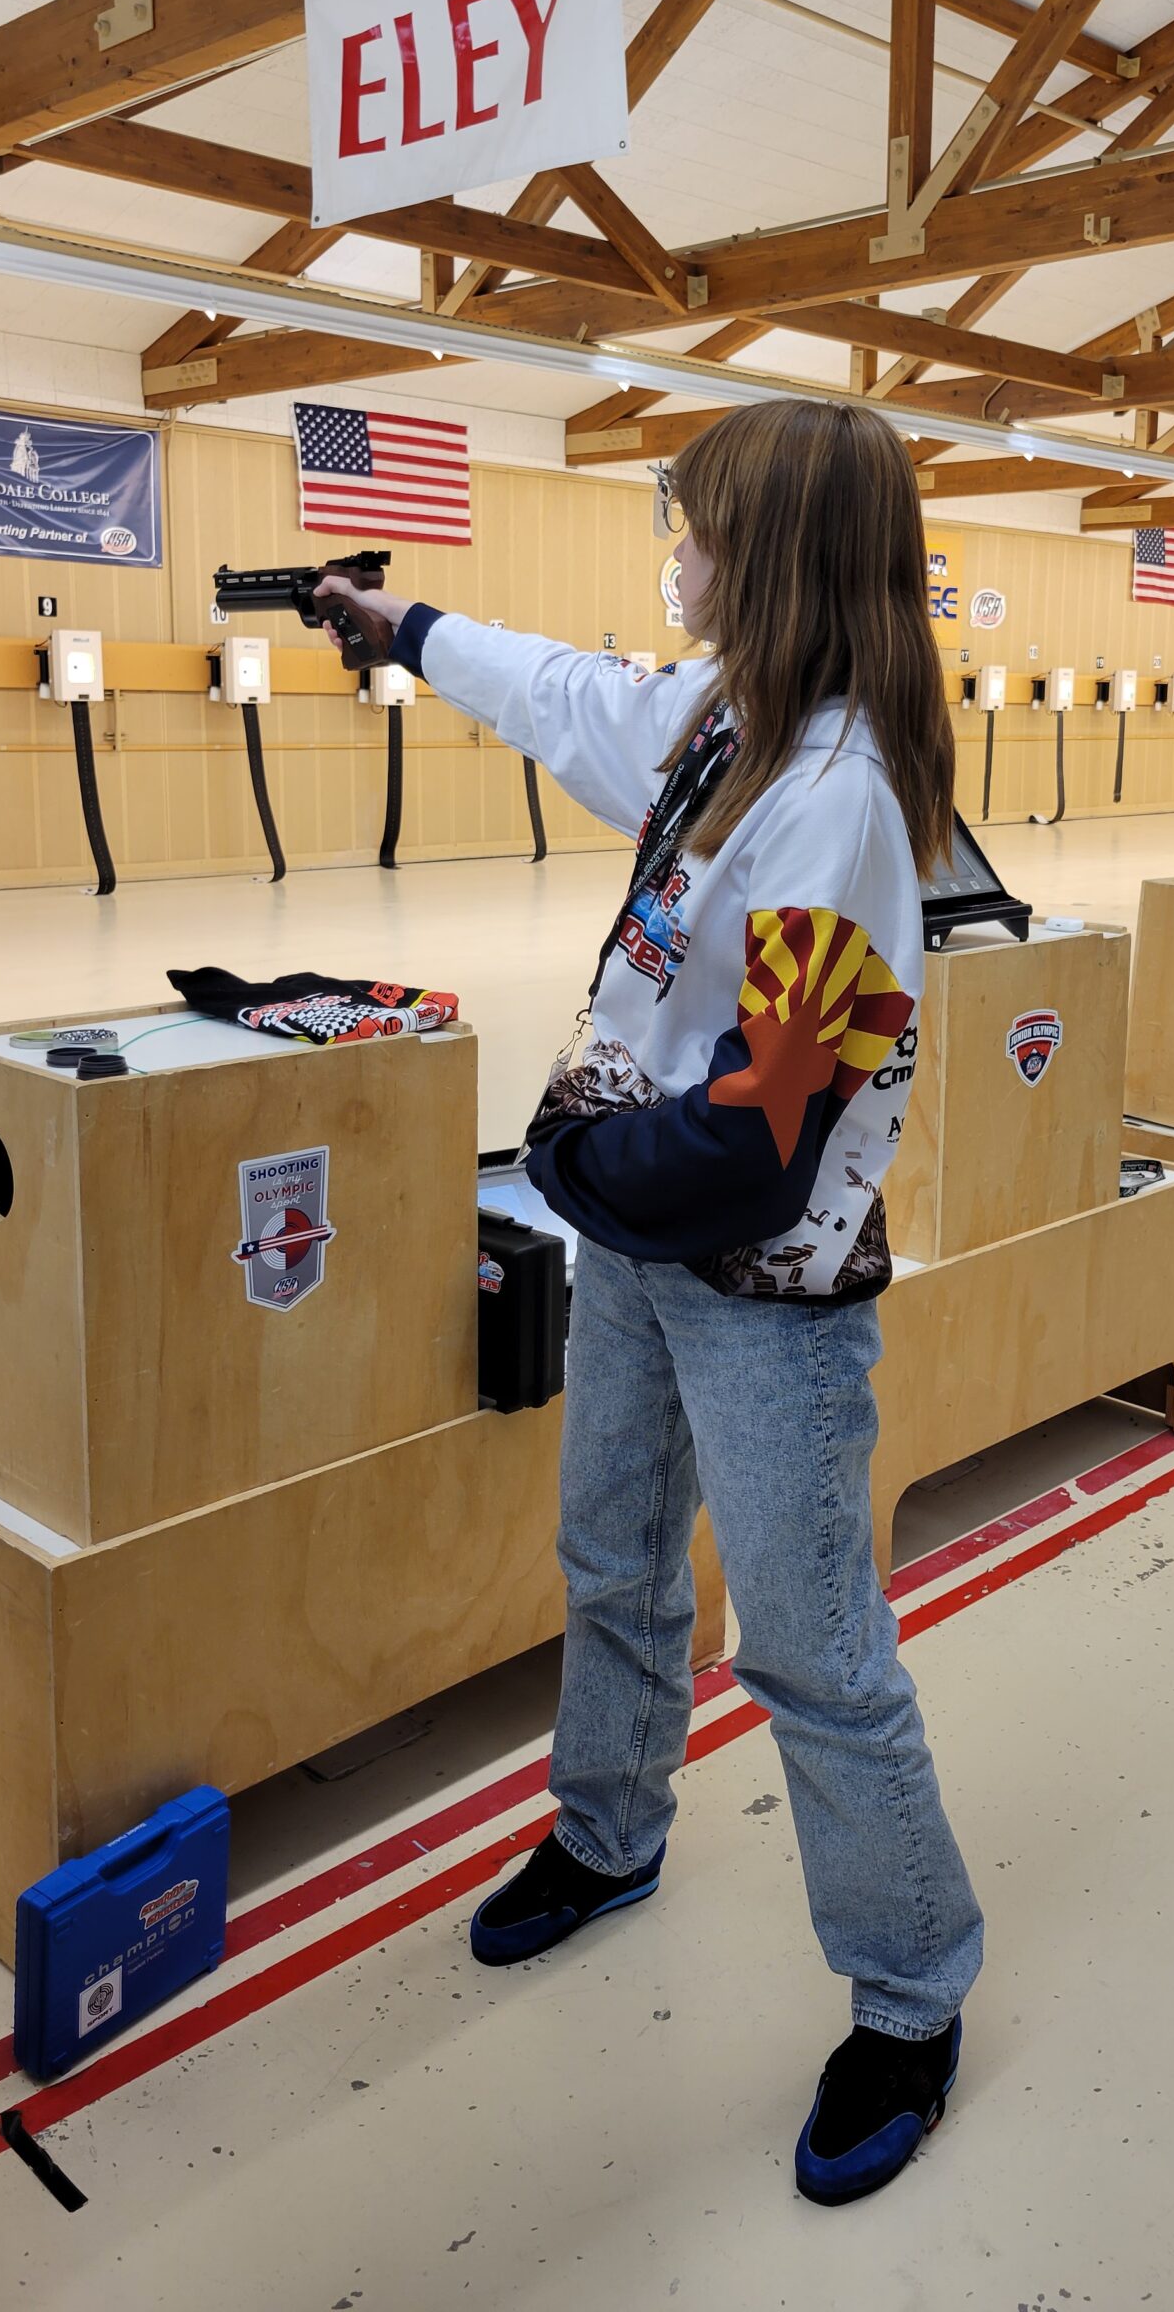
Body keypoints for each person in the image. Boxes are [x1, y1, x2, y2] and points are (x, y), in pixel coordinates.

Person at [316, 399, 983, 2207]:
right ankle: (608, 1836)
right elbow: (559, 692)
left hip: (756, 1287)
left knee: (810, 1648)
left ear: (769, 561)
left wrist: (572, 1170)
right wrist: (402, 628)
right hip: (638, 1247)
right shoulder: (723, 728)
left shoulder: (836, 796)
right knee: (611, 1560)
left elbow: (769, 1121)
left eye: (691, 531)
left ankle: (912, 1995)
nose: (671, 561)